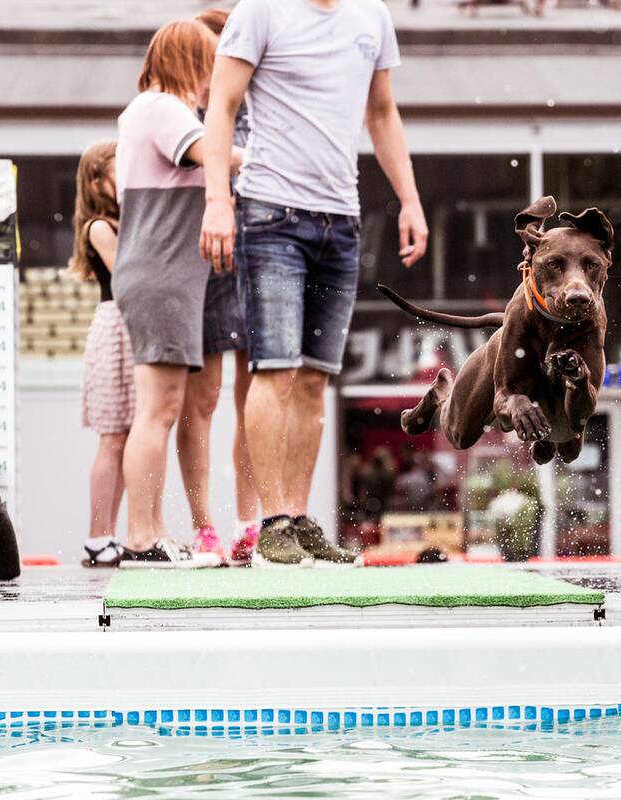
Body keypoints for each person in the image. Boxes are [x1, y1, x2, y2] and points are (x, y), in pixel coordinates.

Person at [199, 0, 428, 563]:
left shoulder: (372, 15)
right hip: (270, 214)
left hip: (341, 220)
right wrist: (217, 200)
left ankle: (299, 520)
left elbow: (382, 112)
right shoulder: (261, 11)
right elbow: (221, 105)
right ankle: (272, 520)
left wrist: (410, 199)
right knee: (275, 369)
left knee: (313, 379)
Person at [112, 19, 241, 567]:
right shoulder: (164, 109)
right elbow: (215, 153)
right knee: (158, 410)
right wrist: (270, 155)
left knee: (160, 410)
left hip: (159, 276)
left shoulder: (144, 111)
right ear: (191, 61)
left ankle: (153, 531)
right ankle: (142, 536)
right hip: (162, 277)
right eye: (210, 62)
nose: (216, 75)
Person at [170, 7, 260, 566]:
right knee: (201, 398)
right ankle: (204, 526)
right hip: (203, 256)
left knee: (257, 399)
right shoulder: (180, 111)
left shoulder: (261, 103)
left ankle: (251, 524)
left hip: (263, 253)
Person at [69, 140, 132, 568]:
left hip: (131, 328)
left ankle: (108, 533)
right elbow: (126, 276)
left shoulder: (124, 222)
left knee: (126, 439)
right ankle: (97, 535)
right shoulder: (99, 227)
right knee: (113, 438)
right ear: (96, 181)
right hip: (116, 329)